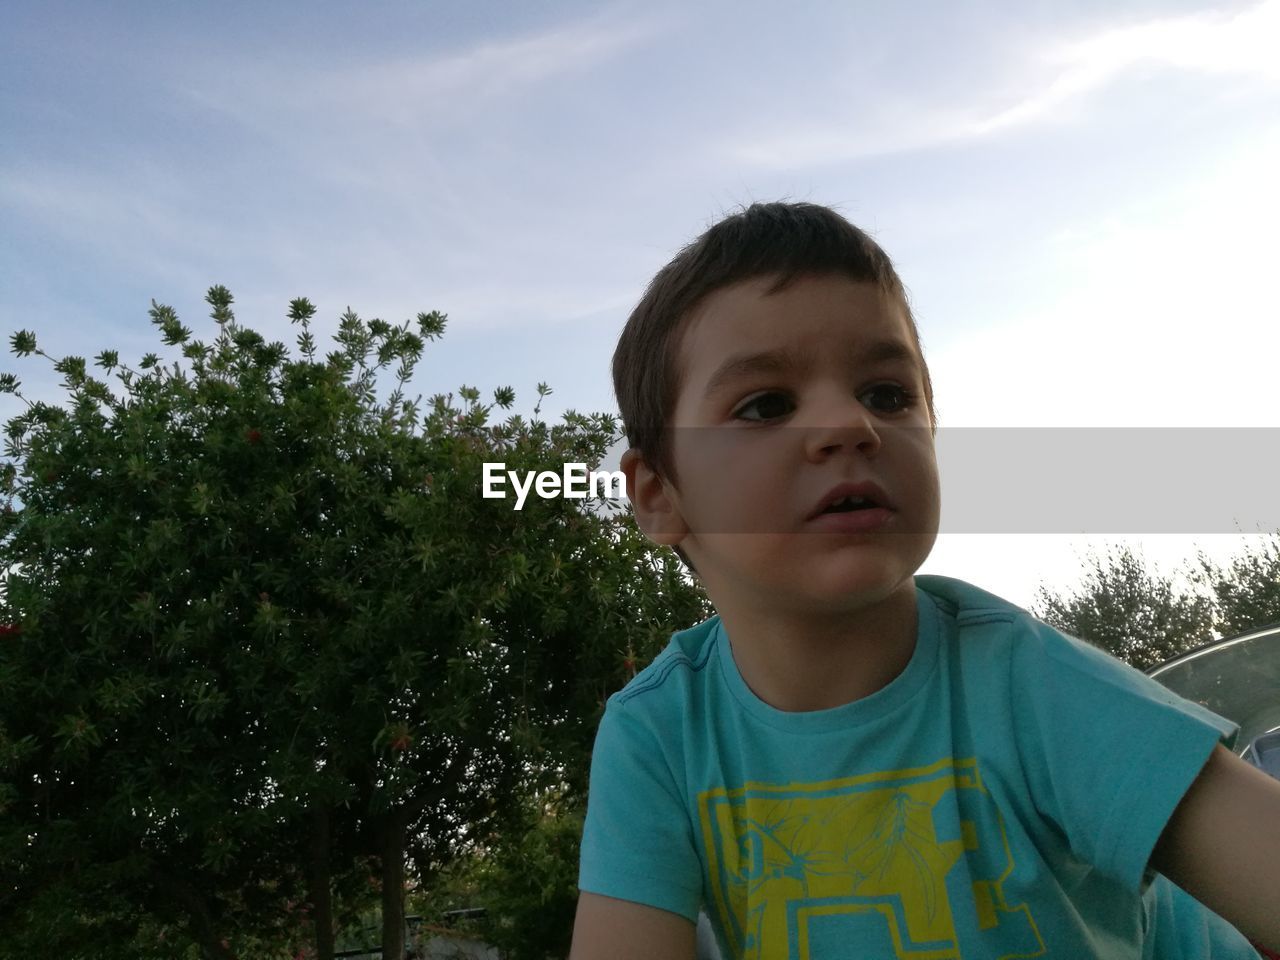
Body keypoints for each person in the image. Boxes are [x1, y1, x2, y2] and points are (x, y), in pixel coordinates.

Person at [567, 202, 1280, 959]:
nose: (850, 424)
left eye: (887, 393)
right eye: (766, 404)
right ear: (658, 496)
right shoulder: (659, 735)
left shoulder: (1030, 688)